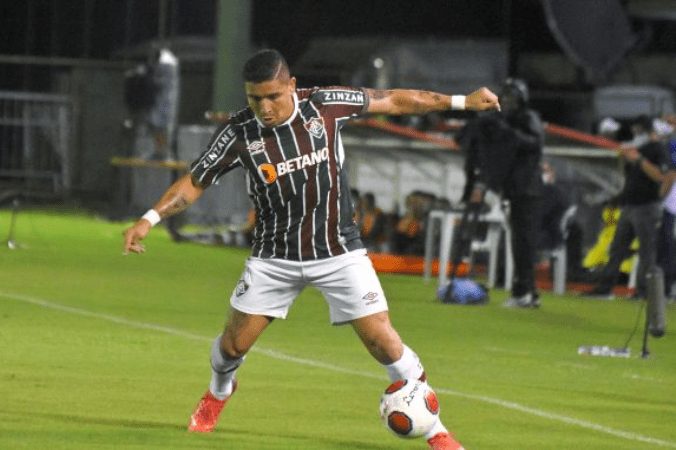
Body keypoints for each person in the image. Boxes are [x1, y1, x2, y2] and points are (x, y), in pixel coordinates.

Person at [123, 49, 499, 450]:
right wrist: (149, 218)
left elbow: (393, 99)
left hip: (339, 252)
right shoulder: (239, 133)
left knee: (384, 343)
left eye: (273, 96)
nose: (265, 108)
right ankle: (219, 391)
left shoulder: (325, 105)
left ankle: (436, 430)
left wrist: (462, 102)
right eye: (255, 99)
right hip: (274, 257)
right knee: (232, 347)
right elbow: (195, 181)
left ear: (291, 86)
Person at [456, 78, 544, 308]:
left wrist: (508, 132)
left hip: (527, 190)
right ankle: (527, 292)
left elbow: (535, 144)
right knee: (519, 242)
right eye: (505, 98)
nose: (508, 102)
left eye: (512, 98)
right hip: (514, 189)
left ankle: (524, 292)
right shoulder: (504, 121)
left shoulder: (528, 118)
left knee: (524, 242)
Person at [584, 115, 673, 299]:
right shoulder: (636, 149)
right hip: (630, 205)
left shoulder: (658, 149)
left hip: (647, 206)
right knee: (617, 248)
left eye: (639, 131)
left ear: (649, 132)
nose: (636, 134)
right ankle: (605, 287)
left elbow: (661, 176)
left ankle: (643, 291)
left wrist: (639, 160)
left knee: (647, 252)